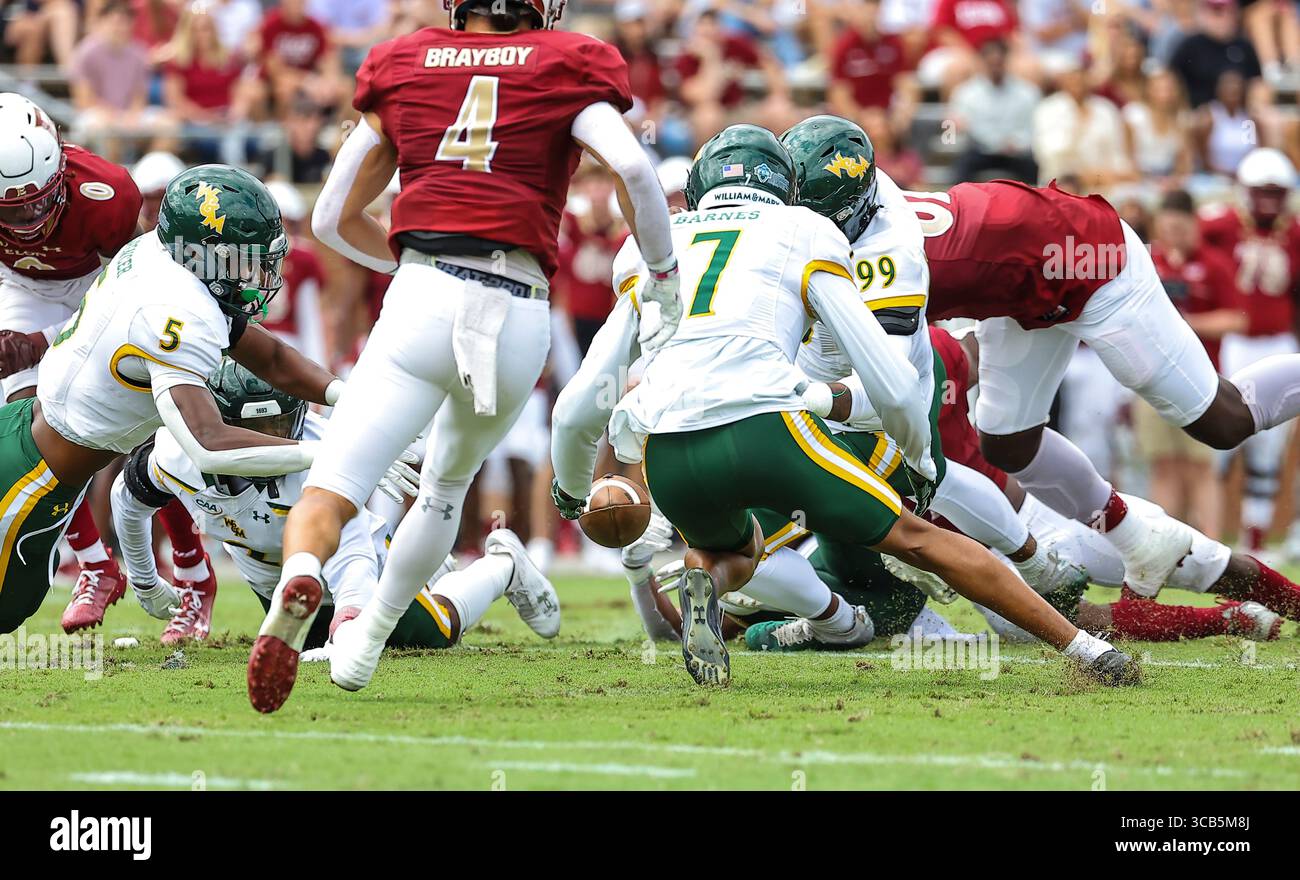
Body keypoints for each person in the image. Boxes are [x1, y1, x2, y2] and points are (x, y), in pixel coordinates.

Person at [551, 124, 1136, 688]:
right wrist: (920, 457)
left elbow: (580, 400)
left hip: (670, 451)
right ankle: (1085, 649)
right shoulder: (803, 229)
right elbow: (890, 377)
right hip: (765, 424)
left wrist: (571, 492)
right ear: (784, 183)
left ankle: (707, 577)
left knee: (733, 545)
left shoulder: (650, 246)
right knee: (918, 538)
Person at [253, 0, 680, 714]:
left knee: (331, 488)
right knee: (445, 489)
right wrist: (663, 279)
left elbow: (329, 215)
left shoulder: (405, 60)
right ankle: (369, 639)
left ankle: (303, 572)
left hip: (424, 288)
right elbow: (635, 168)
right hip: (515, 304)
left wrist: (406, 269)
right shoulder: (566, 60)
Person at [0, 165, 415, 637]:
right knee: (8, 609)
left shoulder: (166, 256)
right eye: (246, 257)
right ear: (203, 254)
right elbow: (208, 442)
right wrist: (351, 455)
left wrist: (358, 404)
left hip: (38, 444)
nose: (259, 271)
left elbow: (274, 359)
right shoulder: (176, 310)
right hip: (34, 473)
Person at [901, 176, 1300, 599]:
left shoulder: (871, 264)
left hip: (1090, 261)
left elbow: (912, 373)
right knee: (1007, 442)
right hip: (1024, 285)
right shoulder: (866, 227)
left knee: (1223, 421)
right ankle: (1138, 540)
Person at [111, 360, 557, 648]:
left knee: (430, 634)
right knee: (304, 645)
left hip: (350, 566)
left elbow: (355, 549)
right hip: (278, 583)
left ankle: (503, 565)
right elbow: (127, 501)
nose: (273, 438)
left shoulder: (320, 464)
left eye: (282, 423)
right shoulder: (177, 455)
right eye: (259, 426)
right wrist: (147, 582)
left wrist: (350, 616)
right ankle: (429, 571)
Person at [0, 96, 142, 633]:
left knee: (136, 423)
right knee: (27, 421)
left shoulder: (107, 195)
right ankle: (96, 564)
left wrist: (42, 341)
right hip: (20, 286)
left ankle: (192, 573)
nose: (32, 219)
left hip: (100, 285)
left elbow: (134, 296)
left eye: (38, 202)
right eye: (13, 212)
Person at [1199, 147, 1300, 551]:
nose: (1268, 200)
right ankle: (1211, 533)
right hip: (1236, 343)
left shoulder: (1293, 232)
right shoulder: (1221, 224)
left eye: (1276, 192)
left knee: (1270, 446)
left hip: (1279, 341)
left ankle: (1254, 539)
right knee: (1221, 435)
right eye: (1262, 191)